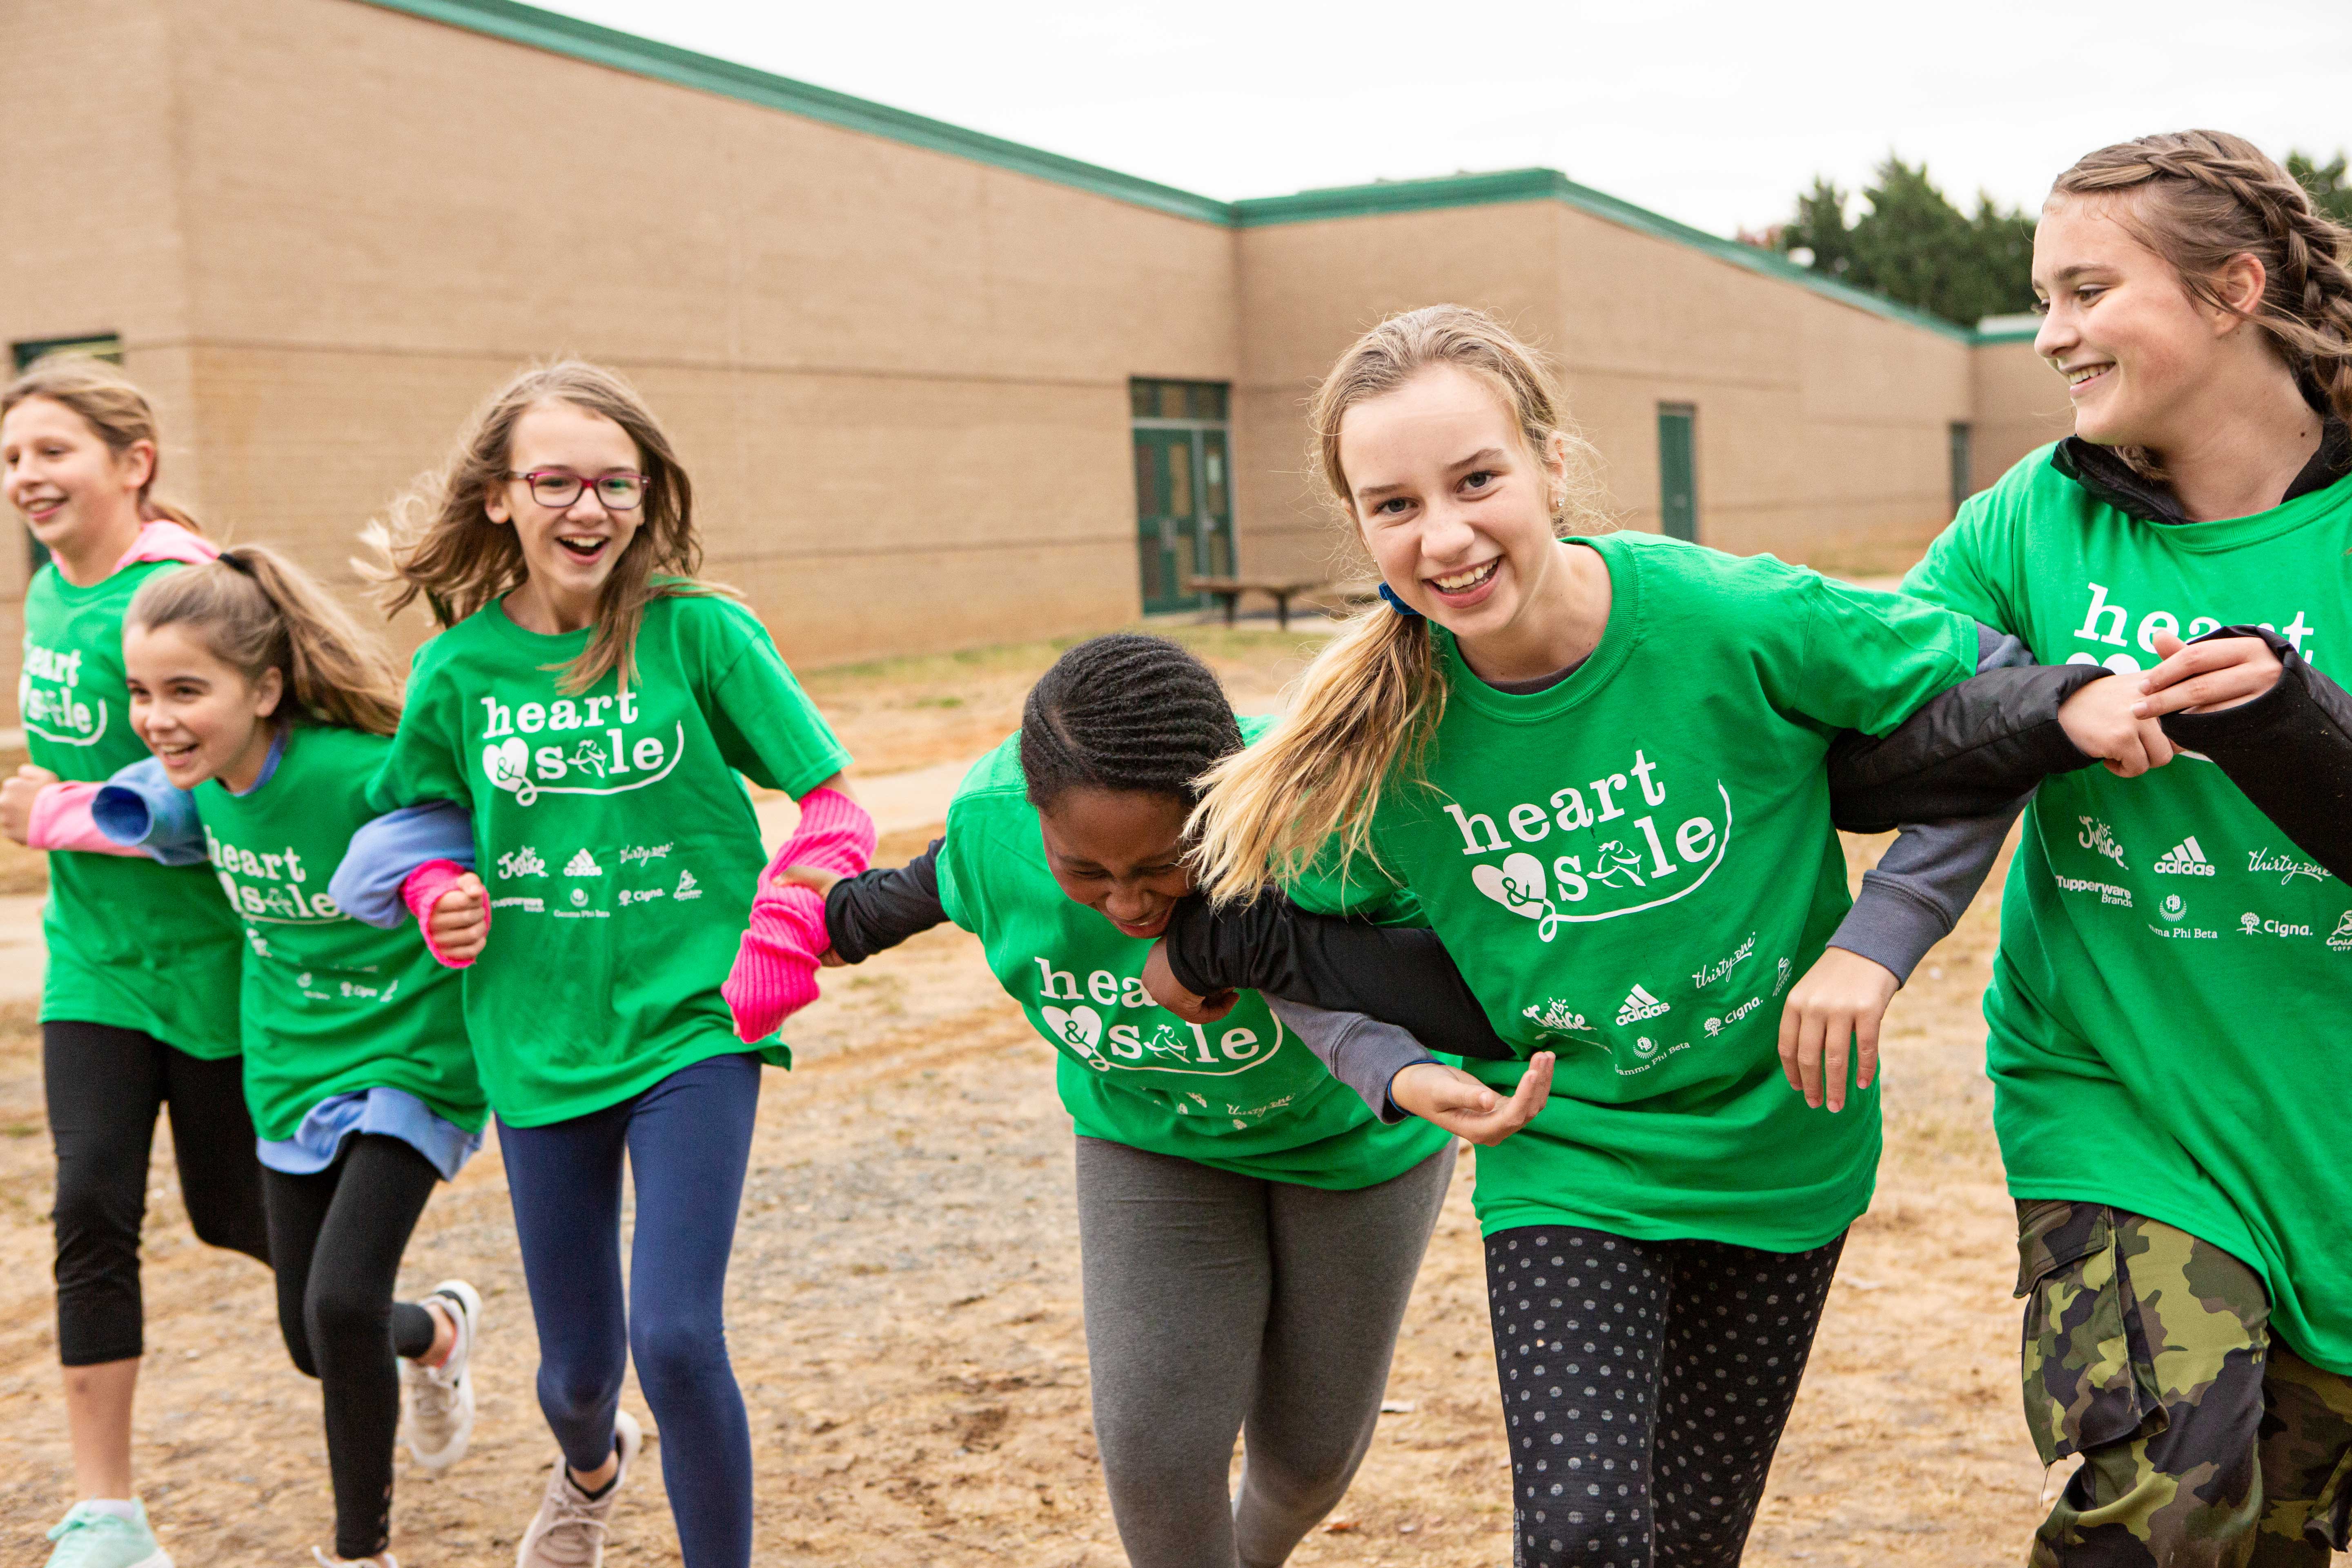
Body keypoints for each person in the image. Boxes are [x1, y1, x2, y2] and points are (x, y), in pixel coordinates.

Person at [1164, 304, 2163, 1567]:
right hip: (1571, 1158)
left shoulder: (1726, 617)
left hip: (1781, 1153)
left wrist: (1878, 938)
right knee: (1582, 1538)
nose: (1448, 535)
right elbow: (1275, 941)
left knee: (1692, 1546)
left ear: (1552, 466)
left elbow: (2005, 703)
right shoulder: (1372, 742)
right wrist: (1391, 1067)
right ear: (1360, 528)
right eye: (1395, 505)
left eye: (1478, 480)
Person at [785, 633, 1550, 1568]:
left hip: (1354, 1144)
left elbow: (1461, 975)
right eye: (1087, 873)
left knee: (1309, 1459)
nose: (1129, 905)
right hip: (1151, 1138)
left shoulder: (1319, 818)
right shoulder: (997, 829)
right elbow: (939, 878)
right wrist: (844, 922)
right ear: (1036, 822)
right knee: (1154, 1456)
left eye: (1160, 868)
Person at [1900, 129, 2352, 1567]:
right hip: (2124, 1102)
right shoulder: (2036, 516)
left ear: (2231, 290)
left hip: (2326, 1110)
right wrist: (2053, 705)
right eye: (2044, 297)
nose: (2052, 335)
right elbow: (1879, 736)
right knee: (2166, 1514)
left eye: (2089, 290)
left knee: (2280, 1534)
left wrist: (2291, 724)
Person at [361, 361, 863, 1568]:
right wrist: (439, 892)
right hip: (534, 1037)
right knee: (576, 1372)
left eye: (615, 485)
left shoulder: (699, 634)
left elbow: (833, 803)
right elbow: (413, 824)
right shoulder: (460, 670)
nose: (588, 510)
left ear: (647, 498)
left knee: (678, 1335)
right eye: (556, 482)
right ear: (499, 497)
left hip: (696, 1021)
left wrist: (789, 916)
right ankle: (592, 1464)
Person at [98, 547, 489, 1568]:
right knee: (314, 1340)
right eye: (141, 693)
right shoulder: (204, 786)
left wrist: (443, 890)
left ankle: (360, 1554)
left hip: (411, 1054)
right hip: (289, 1066)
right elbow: (139, 809)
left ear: (265, 688)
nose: (157, 716)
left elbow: (470, 821)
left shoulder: (351, 769)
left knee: (341, 1301)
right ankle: (438, 1334)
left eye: (188, 690)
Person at [0, 357, 266, 1568]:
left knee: (232, 1218)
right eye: (12, 459)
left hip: (211, 961)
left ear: (133, 463)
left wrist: (57, 813)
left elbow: (215, 780)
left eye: (51, 451)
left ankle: (418, 1333)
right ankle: (106, 1516)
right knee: (90, 1203)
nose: (25, 478)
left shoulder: (183, 587)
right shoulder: (52, 592)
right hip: (93, 962)